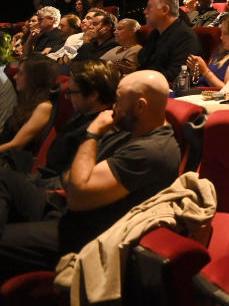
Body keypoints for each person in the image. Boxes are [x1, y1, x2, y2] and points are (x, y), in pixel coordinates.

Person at [0, 70, 180, 281]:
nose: (113, 106)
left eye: (119, 100)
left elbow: (77, 195)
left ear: (140, 106)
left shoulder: (152, 151)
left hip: (86, 233)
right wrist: (80, 175)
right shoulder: (130, 131)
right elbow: (71, 177)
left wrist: (93, 134)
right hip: (66, 206)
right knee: (4, 177)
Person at [0, 61, 118, 235]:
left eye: (71, 92)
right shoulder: (81, 116)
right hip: (44, 180)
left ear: (93, 95)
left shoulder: (101, 130)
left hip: (55, 198)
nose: (66, 97)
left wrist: (31, 182)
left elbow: (69, 180)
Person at [136, 0, 202, 83]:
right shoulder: (156, 32)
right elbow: (144, 62)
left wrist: (138, 77)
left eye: (150, 7)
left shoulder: (185, 37)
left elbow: (177, 75)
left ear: (165, 9)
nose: (145, 11)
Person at [0, 56, 58, 156]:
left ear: (34, 78)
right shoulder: (26, 102)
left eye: (21, 73)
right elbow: (6, 132)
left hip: (10, 160)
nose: (15, 77)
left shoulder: (43, 107)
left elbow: (17, 145)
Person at [186, 13, 229, 90]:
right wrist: (196, 70)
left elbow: (228, 90)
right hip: (199, 92)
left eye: (225, 33)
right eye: (221, 32)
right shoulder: (221, 52)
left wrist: (205, 71)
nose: (221, 37)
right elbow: (204, 80)